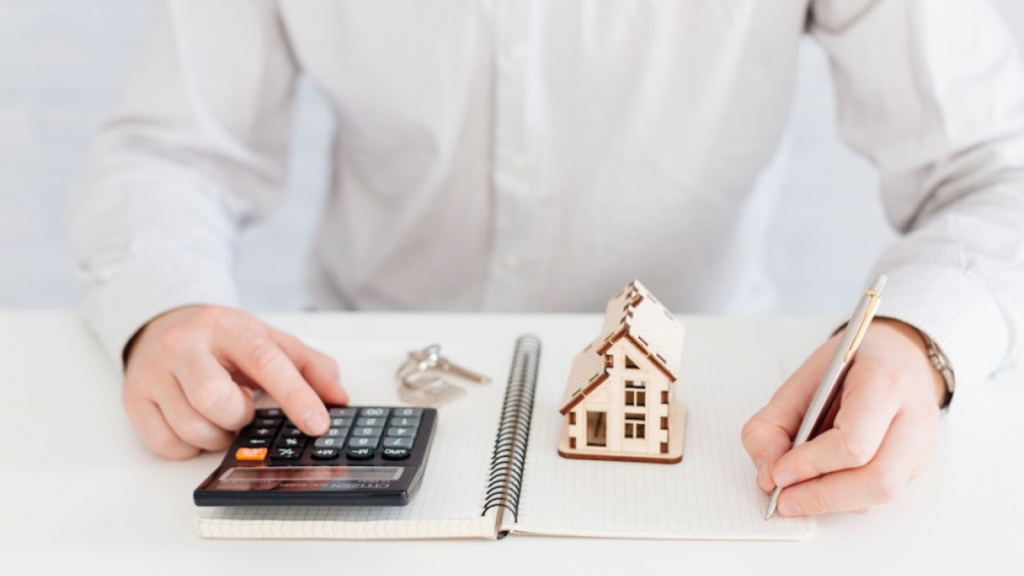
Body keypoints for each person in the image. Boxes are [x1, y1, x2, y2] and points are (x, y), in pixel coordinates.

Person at [70, 0, 1024, 519]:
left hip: (714, 446)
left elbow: (997, 168)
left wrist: (919, 334)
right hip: (374, 407)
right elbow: (172, 152)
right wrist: (168, 308)